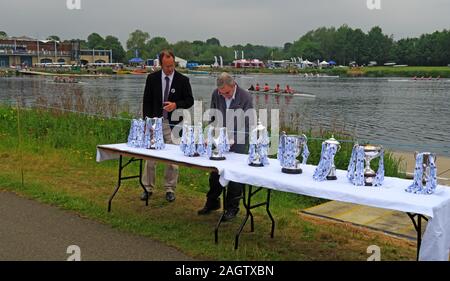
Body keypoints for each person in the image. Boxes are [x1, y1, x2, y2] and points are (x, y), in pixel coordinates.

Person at [197, 72, 254, 221]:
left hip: (239, 142)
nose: (225, 96)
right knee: (215, 173)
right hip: (219, 140)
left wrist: (234, 139)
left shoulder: (245, 97)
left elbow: (248, 125)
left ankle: (232, 209)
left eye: (227, 93)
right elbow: (213, 118)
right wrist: (208, 135)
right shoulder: (216, 94)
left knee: (235, 177)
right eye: (222, 93)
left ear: (233, 85)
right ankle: (212, 202)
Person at [141, 50, 194, 202]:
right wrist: (147, 121)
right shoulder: (152, 79)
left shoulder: (183, 80)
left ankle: (170, 189)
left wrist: (176, 105)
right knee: (150, 157)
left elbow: (189, 100)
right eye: (166, 66)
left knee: (173, 159)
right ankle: (147, 188)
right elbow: (147, 101)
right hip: (155, 122)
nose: (170, 69)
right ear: (160, 64)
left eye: (172, 66)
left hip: (174, 124)